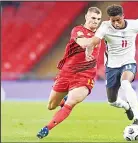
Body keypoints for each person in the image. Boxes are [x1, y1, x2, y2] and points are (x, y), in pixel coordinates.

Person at [76, 4, 138, 129]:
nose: (115, 23)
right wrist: (88, 53)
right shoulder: (105, 26)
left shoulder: (134, 25)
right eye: (113, 20)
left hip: (128, 62)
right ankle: (126, 107)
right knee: (112, 101)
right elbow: (94, 41)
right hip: (111, 67)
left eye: (118, 20)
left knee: (126, 83)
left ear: (123, 16)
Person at [36, 7, 103, 139]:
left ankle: (46, 128)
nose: (96, 22)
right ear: (86, 17)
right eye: (93, 18)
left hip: (86, 76)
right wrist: (93, 41)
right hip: (67, 73)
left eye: (99, 19)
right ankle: (63, 100)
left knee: (71, 102)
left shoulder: (100, 33)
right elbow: (83, 43)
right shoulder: (77, 30)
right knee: (51, 105)